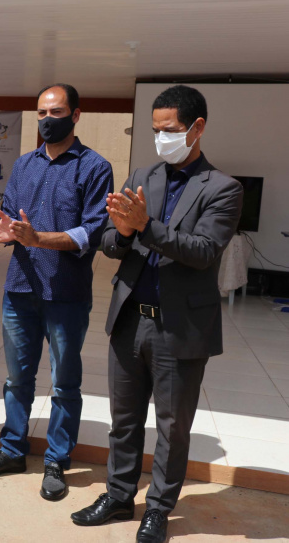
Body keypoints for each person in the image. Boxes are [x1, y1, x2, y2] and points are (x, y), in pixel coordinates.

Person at [71, 85, 243, 543]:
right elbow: (110, 242)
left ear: (197, 128)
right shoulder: (144, 175)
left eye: (169, 130)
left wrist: (146, 225)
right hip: (130, 319)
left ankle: (160, 510)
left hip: (180, 328)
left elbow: (204, 251)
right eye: (155, 130)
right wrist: (124, 232)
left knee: (171, 426)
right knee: (123, 419)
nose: (161, 138)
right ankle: (119, 495)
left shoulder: (224, 189)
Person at [0, 84, 114, 499]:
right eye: (40, 113)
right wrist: (5, 233)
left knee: (64, 383)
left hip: (66, 293)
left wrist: (38, 239)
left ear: (76, 115)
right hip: (20, 288)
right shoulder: (23, 164)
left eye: (55, 112)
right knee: (17, 379)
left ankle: (56, 461)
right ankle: (13, 449)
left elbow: (92, 230)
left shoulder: (93, 166)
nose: (47, 120)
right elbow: (14, 220)